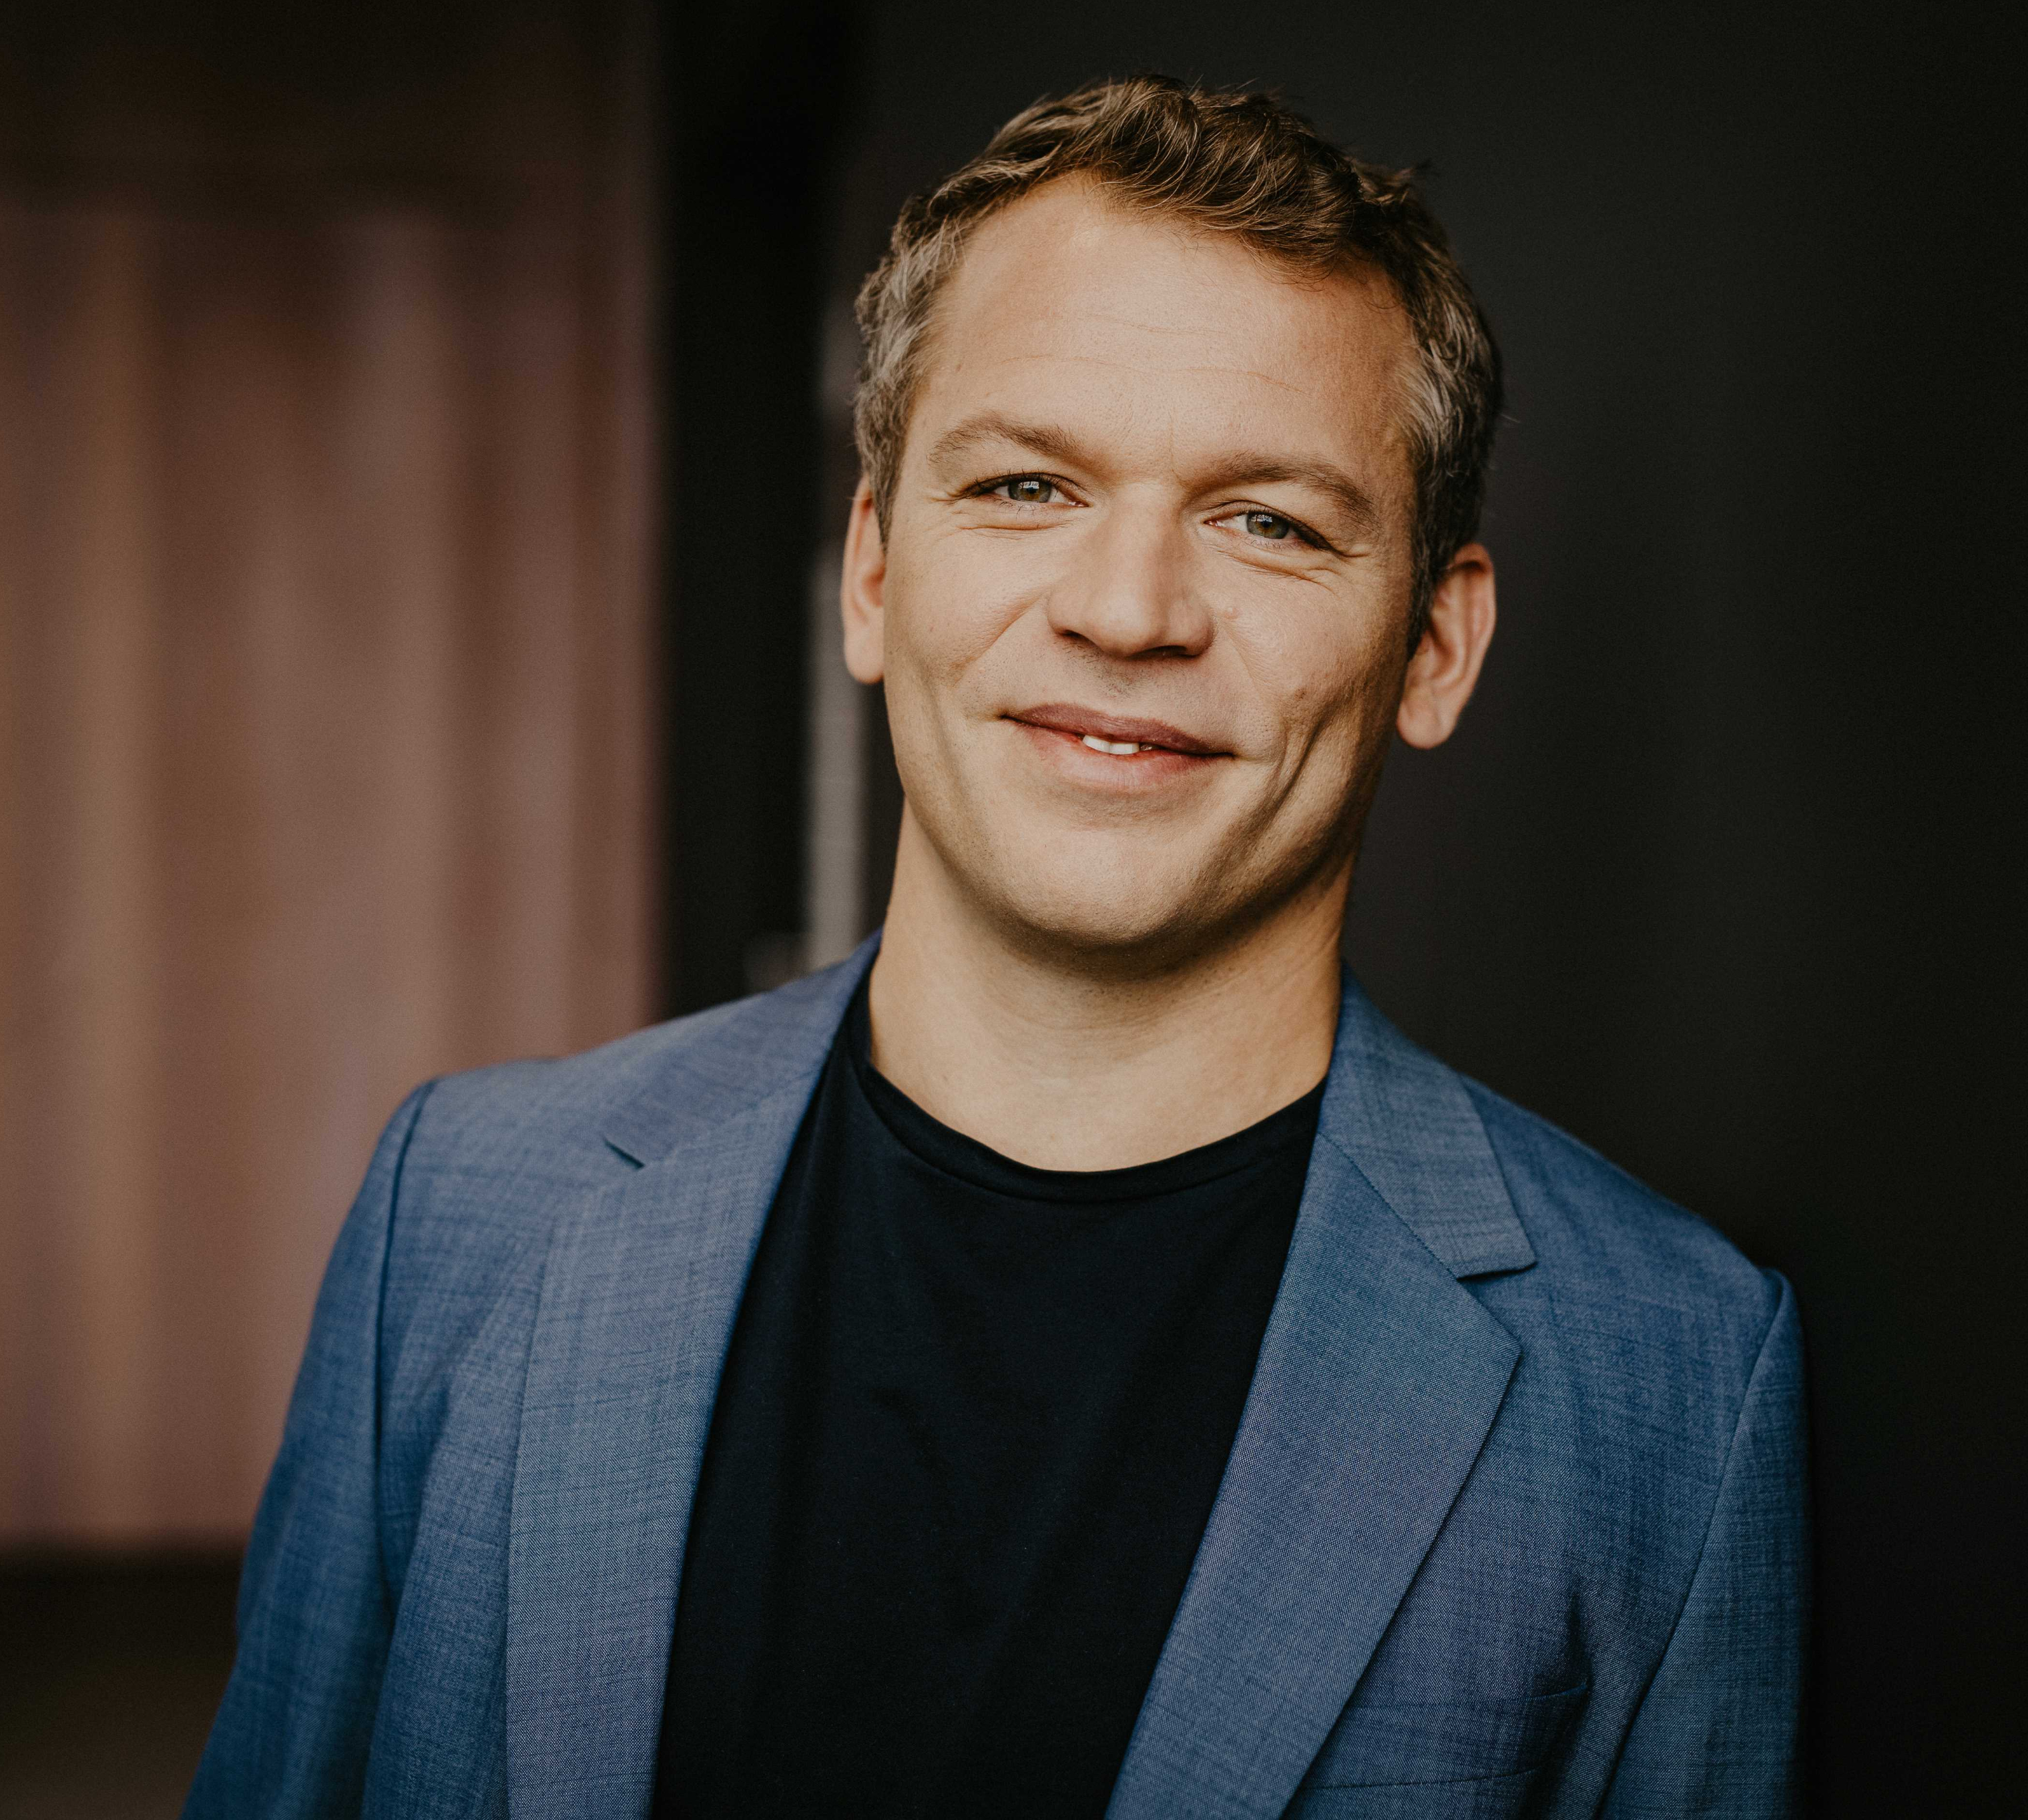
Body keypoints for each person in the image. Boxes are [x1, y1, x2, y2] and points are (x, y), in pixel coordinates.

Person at [187, 75, 1808, 1820]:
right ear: (874, 573)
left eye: (1268, 519)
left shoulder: (1667, 1381)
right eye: (1027, 482)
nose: (1128, 609)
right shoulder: (465, 1207)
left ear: (1434, 641)